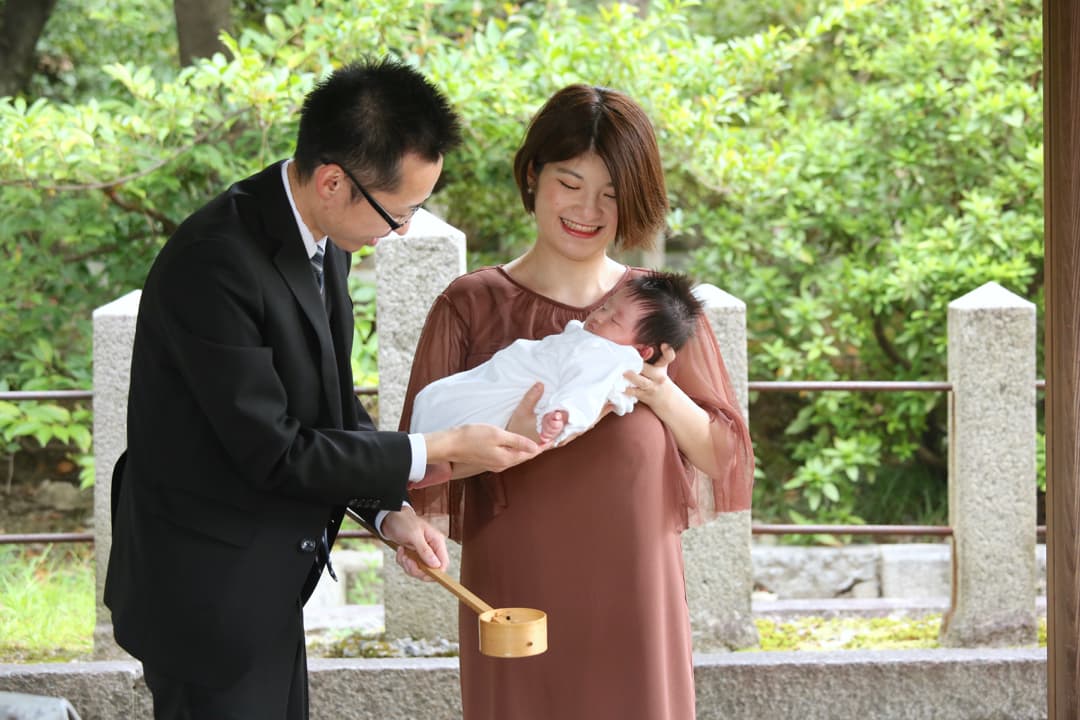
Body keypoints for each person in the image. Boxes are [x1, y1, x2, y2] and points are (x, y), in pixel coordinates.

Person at [103, 57, 542, 720]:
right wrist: (436, 448)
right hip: (204, 589)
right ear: (333, 180)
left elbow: (330, 409)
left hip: (265, 583)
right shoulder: (215, 262)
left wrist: (390, 511)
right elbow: (276, 450)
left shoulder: (324, 237)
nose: (402, 230)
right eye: (399, 212)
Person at [400, 84, 755, 720]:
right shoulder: (469, 304)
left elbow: (725, 457)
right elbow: (416, 470)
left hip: (636, 599)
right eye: (570, 182)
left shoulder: (657, 312)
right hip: (516, 593)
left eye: (613, 194)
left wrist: (659, 389)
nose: (588, 209)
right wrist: (499, 446)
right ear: (533, 175)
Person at [409, 271, 704, 448]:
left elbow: (587, 390)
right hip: (509, 371)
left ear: (642, 352)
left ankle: (431, 460)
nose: (599, 318)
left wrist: (564, 415)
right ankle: (431, 459)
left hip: (513, 389)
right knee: (434, 401)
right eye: (604, 307)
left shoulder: (613, 358)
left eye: (614, 320)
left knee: (443, 408)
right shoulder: (597, 340)